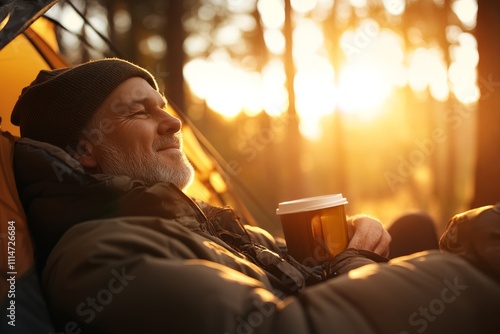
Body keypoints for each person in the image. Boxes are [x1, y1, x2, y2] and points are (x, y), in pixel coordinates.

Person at [10, 58, 500, 333]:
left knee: (414, 225)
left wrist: (347, 249)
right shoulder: (99, 257)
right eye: (140, 112)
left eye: (164, 106)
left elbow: (300, 276)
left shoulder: (198, 220)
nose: (173, 121)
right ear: (83, 150)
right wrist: (473, 268)